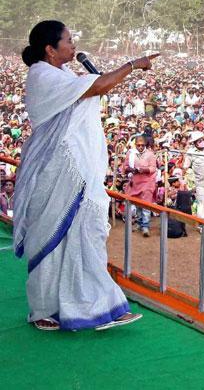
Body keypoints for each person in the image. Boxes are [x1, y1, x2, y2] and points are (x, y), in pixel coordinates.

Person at [14, 20, 158, 331]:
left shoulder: (62, 73)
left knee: (88, 236)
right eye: (67, 40)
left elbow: (92, 90)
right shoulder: (42, 76)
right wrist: (134, 64)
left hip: (79, 173)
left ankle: (104, 306)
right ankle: (42, 309)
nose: (73, 44)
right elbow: (98, 86)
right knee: (51, 240)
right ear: (50, 50)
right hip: (57, 171)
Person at [123, 135, 157, 237]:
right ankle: (139, 223)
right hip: (135, 181)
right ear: (135, 144)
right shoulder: (131, 153)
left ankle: (145, 226)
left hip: (147, 181)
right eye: (138, 145)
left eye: (142, 145)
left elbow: (153, 168)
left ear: (145, 145)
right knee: (137, 204)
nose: (141, 147)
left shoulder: (150, 154)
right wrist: (131, 169)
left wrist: (144, 169)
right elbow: (125, 167)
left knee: (146, 204)